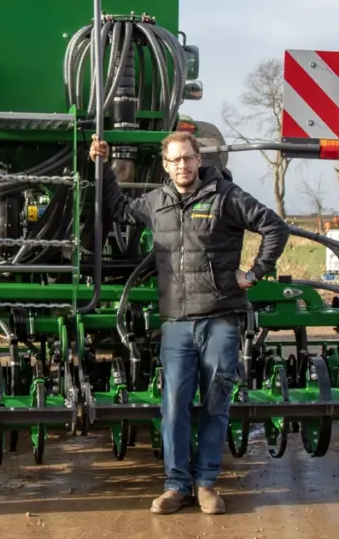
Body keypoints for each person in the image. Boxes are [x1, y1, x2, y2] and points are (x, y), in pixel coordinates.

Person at [88, 131, 289, 515]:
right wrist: (102, 165)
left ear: (199, 160)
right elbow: (117, 208)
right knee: (175, 404)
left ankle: (207, 484)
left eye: (188, 158)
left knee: (216, 403)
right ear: (165, 165)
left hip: (221, 318)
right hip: (177, 322)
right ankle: (176, 485)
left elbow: (274, 227)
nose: (182, 165)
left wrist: (256, 272)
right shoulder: (156, 202)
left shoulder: (225, 197)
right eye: (175, 160)